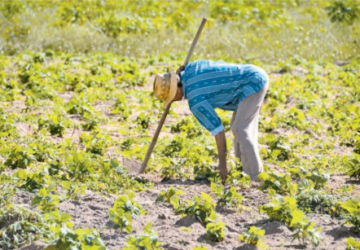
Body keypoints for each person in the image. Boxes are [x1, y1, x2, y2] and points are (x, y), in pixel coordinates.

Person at [153, 60, 269, 182]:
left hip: (252, 83)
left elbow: (218, 131)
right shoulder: (190, 69)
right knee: (238, 126)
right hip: (252, 73)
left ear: (176, 91)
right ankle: (242, 171)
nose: (173, 101)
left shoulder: (195, 100)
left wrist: (222, 166)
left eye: (171, 98)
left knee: (240, 129)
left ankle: (256, 177)